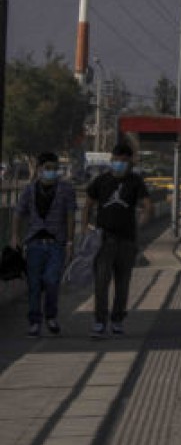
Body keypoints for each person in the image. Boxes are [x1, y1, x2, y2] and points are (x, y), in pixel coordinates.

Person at [83, 141, 152, 339]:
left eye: (124, 161)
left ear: (130, 162)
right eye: (117, 160)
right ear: (111, 160)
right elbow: (87, 205)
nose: (120, 163)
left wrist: (140, 225)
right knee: (101, 284)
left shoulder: (135, 181)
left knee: (123, 284)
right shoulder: (101, 181)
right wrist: (86, 229)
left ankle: (118, 320)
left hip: (127, 241)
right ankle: (99, 322)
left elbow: (148, 206)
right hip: (104, 240)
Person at [12, 152, 77, 336]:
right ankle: (34, 321)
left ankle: (51, 316)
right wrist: (15, 236)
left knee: (51, 281)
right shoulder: (30, 190)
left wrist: (70, 241)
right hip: (34, 243)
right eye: (48, 168)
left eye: (55, 169)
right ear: (40, 169)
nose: (52, 172)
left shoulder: (66, 190)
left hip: (56, 243)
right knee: (33, 284)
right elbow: (18, 212)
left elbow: (71, 215)